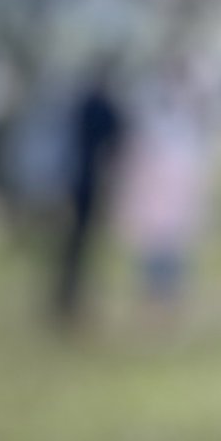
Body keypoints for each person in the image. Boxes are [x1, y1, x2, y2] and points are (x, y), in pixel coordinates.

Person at [117, 67, 216, 311]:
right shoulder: (154, 117)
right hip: (158, 189)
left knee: (173, 248)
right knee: (155, 247)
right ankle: (155, 296)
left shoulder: (187, 122)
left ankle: (168, 296)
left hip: (175, 190)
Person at [49, 58, 127, 329]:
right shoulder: (101, 106)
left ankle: (69, 295)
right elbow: (118, 139)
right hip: (91, 182)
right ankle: (72, 296)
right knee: (81, 243)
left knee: (75, 244)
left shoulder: (81, 104)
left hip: (78, 180)